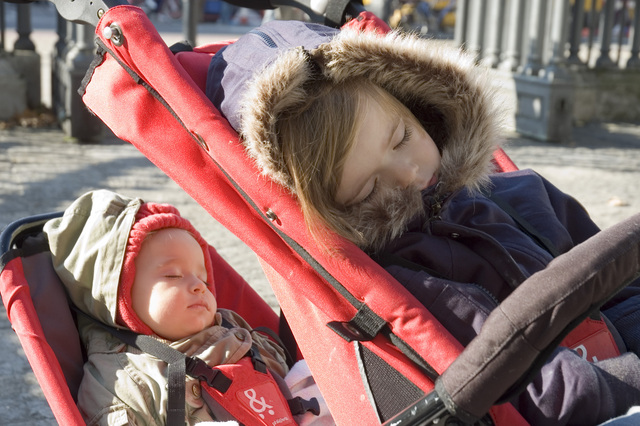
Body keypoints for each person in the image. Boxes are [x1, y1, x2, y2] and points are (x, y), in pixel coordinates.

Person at [205, 19, 640, 425]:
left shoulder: (523, 192)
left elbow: (625, 290)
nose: (411, 174)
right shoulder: (412, 279)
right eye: (368, 190)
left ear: (417, 106)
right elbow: (558, 394)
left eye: (402, 138)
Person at [44, 190, 330, 425]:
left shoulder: (232, 326)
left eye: (203, 278)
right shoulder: (119, 381)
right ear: (120, 295)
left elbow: (286, 372)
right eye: (173, 276)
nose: (199, 286)